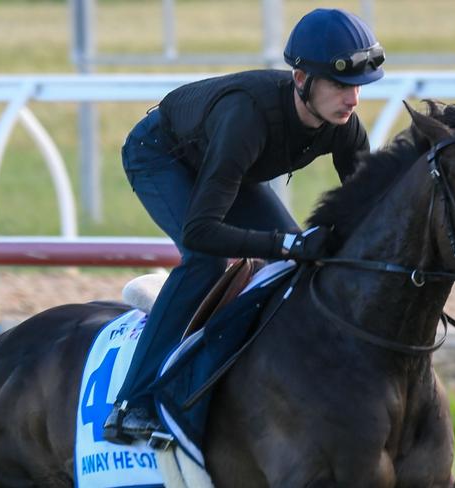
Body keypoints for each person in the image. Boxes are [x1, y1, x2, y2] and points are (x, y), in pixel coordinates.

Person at [103, 7, 386, 444]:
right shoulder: (247, 116)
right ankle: (132, 403)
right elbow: (200, 231)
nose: (352, 100)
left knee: (293, 269)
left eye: (358, 88)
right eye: (339, 84)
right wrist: (289, 241)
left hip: (224, 165)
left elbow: (372, 209)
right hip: (160, 155)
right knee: (206, 261)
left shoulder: (343, 125)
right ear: (301, 80)